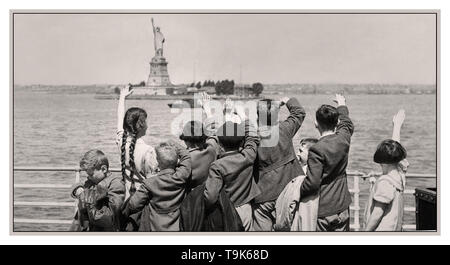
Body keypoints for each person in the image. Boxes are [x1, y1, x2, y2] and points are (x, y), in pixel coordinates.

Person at [300, 94, 354, 231]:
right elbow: (346, 123)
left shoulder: (316, 149)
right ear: (336, 123)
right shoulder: (343, 139)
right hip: (342, 206)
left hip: (324, 210)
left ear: (316, 124)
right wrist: (342, 103)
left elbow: (312, 184)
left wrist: (296, 190)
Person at [203, 103, 261, 231]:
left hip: (226, 210)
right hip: (246, 208)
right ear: (242, 143)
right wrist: (244, 117)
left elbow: (210, 197)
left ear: (220, 146)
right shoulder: (248, 156)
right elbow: (252, 137)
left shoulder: (218, 166)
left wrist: (209, 114)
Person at [252, 97, 306, 231]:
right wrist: (288, 101)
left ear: (258, 116)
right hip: (288, 190)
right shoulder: (284, 129)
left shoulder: (253, 138)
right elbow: (299, 113)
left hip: (263, 194)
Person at [122, 141, 191, 231]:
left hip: (155, 228)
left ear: (158, 163)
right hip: (177, 226)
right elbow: (187, 157)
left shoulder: (149, 183)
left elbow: (133, 205)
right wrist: (172, 144)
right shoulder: (181, 176)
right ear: (176, 161)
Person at [116, 85, 158, 230]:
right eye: (145, 121)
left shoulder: (121, 142)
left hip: (126, 202)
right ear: (141, 125)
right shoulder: (149, 151)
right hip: (143, 205)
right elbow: (153, 183)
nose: (147, 125)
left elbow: (120, 120)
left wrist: (122, 98)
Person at [364, 109, 408, 231]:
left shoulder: (385, 182)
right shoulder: (399, 176)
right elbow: (394, 150)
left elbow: (377, 214)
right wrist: (397, 126)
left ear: (380, 161)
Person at [69, 149, 125, 231]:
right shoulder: (93, 181)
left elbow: (108, 218)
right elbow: (80, 186)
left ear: (104, 169)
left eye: (91, 174)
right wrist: (77, 189)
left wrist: (88, 200)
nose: (88, 177)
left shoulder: (116, 185)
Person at [180, 93, 222, 191]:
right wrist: (207, 110)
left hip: (191, 198)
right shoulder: (211, 149)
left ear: (185, 140)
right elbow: (214, 132)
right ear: (204, 137)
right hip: (209, 191)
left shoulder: (185, 159)